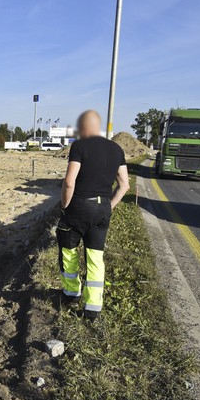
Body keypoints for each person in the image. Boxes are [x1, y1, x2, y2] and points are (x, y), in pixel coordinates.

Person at [58, 110, 130, 320]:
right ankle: (92, 308)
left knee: (69, 250)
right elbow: (124, 185)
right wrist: (108, 206)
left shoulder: (80, 146)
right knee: (95, 257)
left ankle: (71, 293)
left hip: (79, 206)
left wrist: (64, 206)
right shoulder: (117, 149)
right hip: (102, 210)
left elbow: (70, 182)